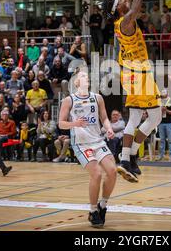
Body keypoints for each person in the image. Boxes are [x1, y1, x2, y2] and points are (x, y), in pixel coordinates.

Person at [101, 0, 162, 183]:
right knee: (139, 117)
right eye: (121, 2)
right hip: (138, 74)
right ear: (120, 9)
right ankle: (126, 157)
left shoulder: (120, 18)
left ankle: (129, 155)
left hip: (134, 72)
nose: (123, 1)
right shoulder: (127, 21)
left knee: (154, 117)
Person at [58, 70, 117, 228]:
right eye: (82, 76)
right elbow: (61, 123)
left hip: (97, 140)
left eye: (87, 77)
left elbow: (104, 118)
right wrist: (74, 124)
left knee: (112, 171)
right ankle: (92, 211)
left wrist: (109, 128)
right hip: (81, 143)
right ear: (76, 82)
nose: (86, 78)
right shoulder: (69, 100)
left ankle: (102, 205)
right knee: (97, 174)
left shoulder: (97, 98)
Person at [157, 89, 171, 161]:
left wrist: (166, 110)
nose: (163, 94)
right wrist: (160, 111)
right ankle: (161, 155)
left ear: (167, 93)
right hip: (161, 123)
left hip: (169, 123)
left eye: (164, 92)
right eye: (162, 92)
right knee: (162, 140)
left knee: (170, 140)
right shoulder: (159, 102)